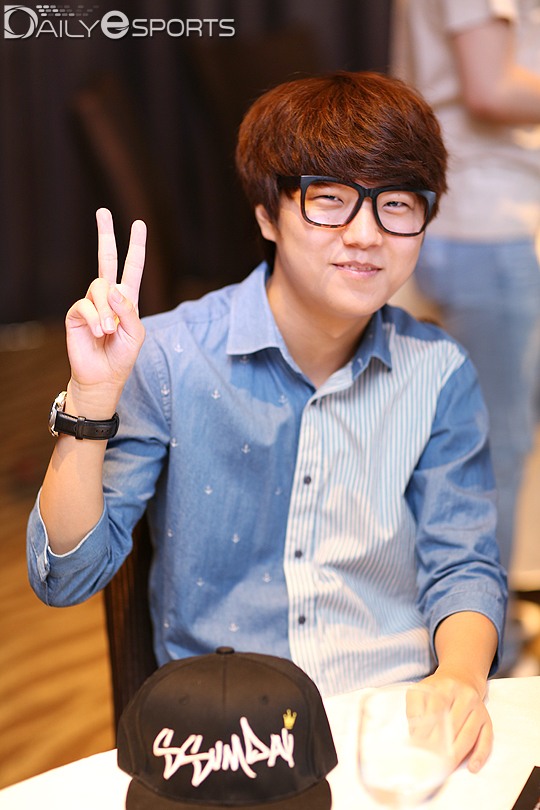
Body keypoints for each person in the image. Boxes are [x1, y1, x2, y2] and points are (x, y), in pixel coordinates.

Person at [27, 71, 507, 773]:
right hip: (232, 737)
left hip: (395, 719)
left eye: (398, 205)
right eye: (330, 201)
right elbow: (64, 577)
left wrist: (459, 677)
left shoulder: (439, 372)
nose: (366, 234)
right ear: (266, 215)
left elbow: (462, 563)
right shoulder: (172, 359)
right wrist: (92, 396)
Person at [391, 0, 540, 668]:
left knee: (488, 442)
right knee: (493, 449)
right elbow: (490, 86)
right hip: (486, 221)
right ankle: (490, 658)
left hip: (486, 217)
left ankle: (486, 632)